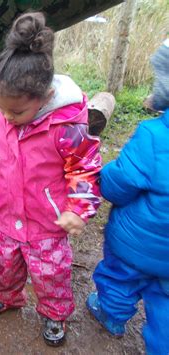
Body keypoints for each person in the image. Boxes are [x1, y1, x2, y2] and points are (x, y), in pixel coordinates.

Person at [0, 12, 102, 346]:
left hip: (47, 222)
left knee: (50, 274)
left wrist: (77, 209)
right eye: (3, 111)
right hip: (7, 214)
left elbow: (84, 167)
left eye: (17, 113)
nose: (8, 119)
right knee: (5, 263)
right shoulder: (5, 116)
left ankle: (55, 314)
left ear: (43, 98)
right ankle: (8, 296)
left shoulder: (65, 126)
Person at [86, 38, 169, 355]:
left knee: (119, 280)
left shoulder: (154, 135)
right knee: (165, 303)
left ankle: (112, 315)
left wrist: (103, 177)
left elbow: (121, 183)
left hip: (136, 245)